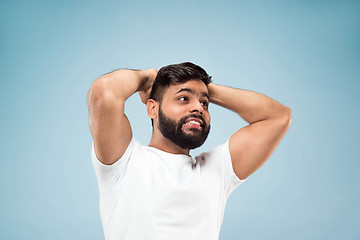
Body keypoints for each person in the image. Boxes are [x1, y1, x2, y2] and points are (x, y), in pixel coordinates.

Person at [87, 62, 292, 240]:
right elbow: (104, 92)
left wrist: (206, 90)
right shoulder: (124, 161)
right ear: (153, 109)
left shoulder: (217, 170)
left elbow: (278, 117)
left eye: (205, 103)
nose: (199, 108)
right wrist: (147, 78)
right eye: (184, 99)